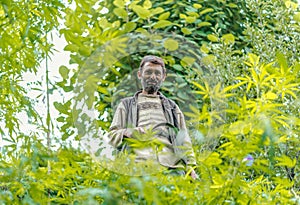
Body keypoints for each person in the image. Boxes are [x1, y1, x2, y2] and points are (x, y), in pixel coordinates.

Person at [108, 55, 198, 179]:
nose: (153, 77)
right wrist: (129, 132)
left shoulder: (172, 107)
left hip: (172, 167)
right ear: (140, 74)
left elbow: (184, 139)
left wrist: (190, 167)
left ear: (163, 77)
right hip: (138, 166)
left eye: (157, 73)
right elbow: (111, 136)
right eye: (148, 72)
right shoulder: (127, 105)